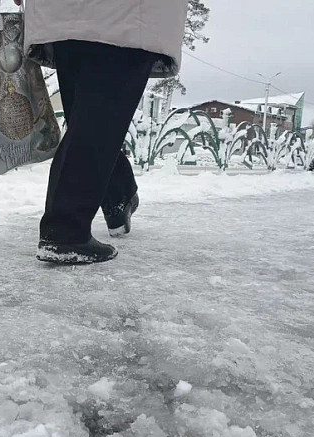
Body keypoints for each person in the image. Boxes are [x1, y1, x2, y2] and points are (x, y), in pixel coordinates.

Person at [14, 0, 189, 264]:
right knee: (101, 108)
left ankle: (118, 195)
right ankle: (65, 230)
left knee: (87, 114)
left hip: (61, 11)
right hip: (128, 12)